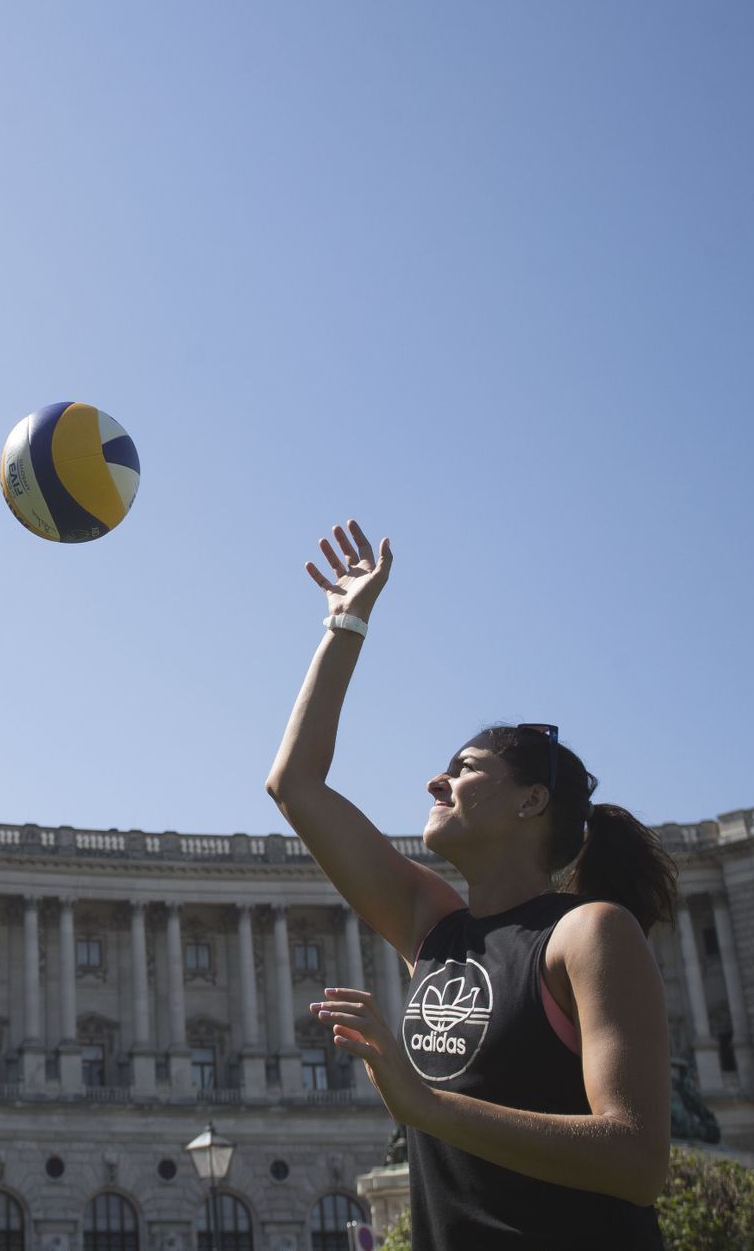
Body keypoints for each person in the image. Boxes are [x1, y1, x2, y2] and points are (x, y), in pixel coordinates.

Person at [264, 521, 675, 1250]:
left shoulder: (587, 932)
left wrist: (427, 1106)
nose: (435, 779)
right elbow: (294, 784)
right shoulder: (431, 924)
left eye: (463, 768)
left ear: (530, 801)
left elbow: (635, 1160)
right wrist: (345, 623)